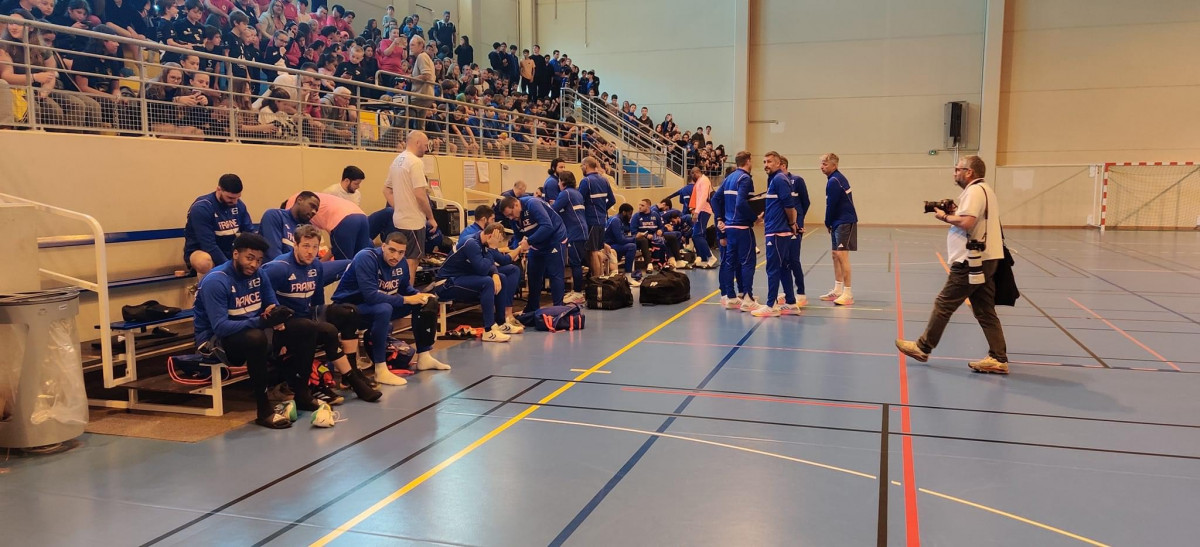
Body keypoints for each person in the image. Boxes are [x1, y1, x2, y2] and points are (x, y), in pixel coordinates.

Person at [896, 156, 1010, 374]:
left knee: (944, 303)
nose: (954, 173)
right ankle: (998, 358)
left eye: (958, 169)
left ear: (969, 172)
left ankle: (923, 347)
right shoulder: (984, 190)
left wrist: (945, 217)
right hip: (985, 259)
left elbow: (967, 222)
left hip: (972, 260)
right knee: (984, 310)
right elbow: (971, 216)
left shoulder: (975, 191)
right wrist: (956, 210)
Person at [193, 233, 308, 429]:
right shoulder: (216, 281)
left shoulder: (259, 273)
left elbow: (271, 304)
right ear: (235, 254)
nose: (254, 264)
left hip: (249, 329)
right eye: (249, 258)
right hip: (216, 341)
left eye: (259, 260)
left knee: (305, 328)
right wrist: (263, 322)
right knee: (256, 338)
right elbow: (220, 327)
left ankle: (303, 394)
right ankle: (264, 411)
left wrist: (278, 317)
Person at [260, 225, 382, 403]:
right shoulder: (279, 268)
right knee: (327, 331)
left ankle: (352, 373)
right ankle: (353, 382)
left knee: (349, 312)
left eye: (315, 247)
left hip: (306, 317)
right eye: (306, 246)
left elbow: (317, 303)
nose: (311, 252)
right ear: (295, 245)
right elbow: (262, 296)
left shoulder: (316, 265)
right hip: (283, 323)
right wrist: (275, 332)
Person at [331, 232, 450, 387]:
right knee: (384, 309)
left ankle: (424, 356)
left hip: (374, 308)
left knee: (427, 302)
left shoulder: (401, 263)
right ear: (383, 246)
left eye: (401, 252)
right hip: (347, 310)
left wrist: (420, 296)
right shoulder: (366, 257)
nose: (396, 256)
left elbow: (405, 288)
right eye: (392, 250)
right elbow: (371, 296)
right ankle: (381, 369)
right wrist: (407, 299)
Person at [436, 223, 527, 342]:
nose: (498, 244)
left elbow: (492, 266)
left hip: (461, 278)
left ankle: (501, 323)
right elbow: (483, 269)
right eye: (497, 241)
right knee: (487, 282)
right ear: (490, 236)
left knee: (502, 277)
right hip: (446, 284)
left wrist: (495, 273)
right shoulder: (471, 243)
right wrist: (491, 248)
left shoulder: (483, 242)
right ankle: (488, 331)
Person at [382, 130, 438, 284]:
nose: (427, 149)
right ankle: (409, 298)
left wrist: (399, 206)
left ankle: (397, 293)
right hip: (413, 222)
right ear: (418, 142)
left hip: (399, 220)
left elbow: (386, 190)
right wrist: (431, 217)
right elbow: (420, 195)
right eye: (426, 145)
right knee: (411, 262)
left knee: (397, 259)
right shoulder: (415, 162)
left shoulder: (397, 160)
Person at [752, 152, 802, 317]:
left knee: (773, 268)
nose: (766, 164)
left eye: (770, 161)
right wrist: (764, 216)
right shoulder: (774, 179)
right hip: (776, 228)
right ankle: (791, 303)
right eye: (764, 161)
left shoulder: (779, 179)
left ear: (779, 164)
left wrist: (791, 223)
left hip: (777, 231)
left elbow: (789, 205)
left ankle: (770, 305)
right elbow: (777, 203)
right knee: (783, 268)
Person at [498, 195, 567, 312]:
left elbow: (547, 226)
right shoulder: (514, 219)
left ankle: (558, 309)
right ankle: (532, 308)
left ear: (516, 204)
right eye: (507, 216)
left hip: (554, 240)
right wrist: (515, 251)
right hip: (537, 244)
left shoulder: (533, 204)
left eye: (511, 214)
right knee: (533, 275)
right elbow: (518, 237)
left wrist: (529, 241)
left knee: (555, 275)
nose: (511, 218)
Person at [712, 151, 759, 312]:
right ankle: (747, 298)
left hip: (729, 227)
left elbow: (715, 199)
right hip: (742, 227)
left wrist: (719, 219)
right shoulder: (745, 178)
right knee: (747, 262)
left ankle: (731, 297)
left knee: (729, 262)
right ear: (748, 161)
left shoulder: (729, 179)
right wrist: (754, 218)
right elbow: (741, 203)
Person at [184, 174, 254, 276]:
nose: (234, 202)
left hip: (230, 251)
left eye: (237, 198)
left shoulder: (239, 205)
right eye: (230, 197)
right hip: (201, 251)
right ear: (218, 189)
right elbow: (209, 245)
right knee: (205, 262)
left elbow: (250, 234)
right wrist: (230, 268)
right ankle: (205, 289)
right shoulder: (202, 207)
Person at [284, 192, 371, 260]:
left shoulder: (290, 204)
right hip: (362, 216)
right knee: (361, 262)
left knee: (344, 267)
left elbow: (292, 238)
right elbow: (335, 247)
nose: (314, 212)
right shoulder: (316, 205)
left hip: (344, 220)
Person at [820, 153, 857, 305]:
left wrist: (827, 222)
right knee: (835, 254)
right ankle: (837, 289)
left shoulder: (835, 180)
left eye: (825, 164)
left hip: (844, 221)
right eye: (821, 164)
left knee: (842, 255)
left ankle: (848, 293)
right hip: (837, 222)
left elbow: (831, 205)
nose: (821, 167)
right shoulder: (833, 179)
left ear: (834, 166)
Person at [551, 171, 588, 303]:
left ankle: (578, 293)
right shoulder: (576, 193)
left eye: (559, 181)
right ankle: (577, 290)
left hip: (575, 232)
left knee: (575, 263)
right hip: (581, 231)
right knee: (576, 262)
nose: (558, 183)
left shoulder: (565, 193)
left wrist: (550, 204)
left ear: (563, 181)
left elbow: (553, 210)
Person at [577, 156, 616, 278]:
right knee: (595, 250)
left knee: (593, 252)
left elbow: (579, 200)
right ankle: (598, 278)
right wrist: (602, 210)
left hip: (591, 220)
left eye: (582, 166)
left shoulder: (586, 181)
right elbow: (612, 200)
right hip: (602, 220)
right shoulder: (604, 180)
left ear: (586, 166)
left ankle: (597, 280)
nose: (581, 169)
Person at [782, 156, 810, 305]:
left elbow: (806, 202)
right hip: (781, 226)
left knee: (793, 259)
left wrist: (799, 220)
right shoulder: (775, 181)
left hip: (795, 226)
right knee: (783, 260)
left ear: (784, 165)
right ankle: (788, 293)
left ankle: (800, 292)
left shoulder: (797, 180)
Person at [259, 191, 319, 260]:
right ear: (300, 200)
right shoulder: (275, 216)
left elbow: (313, 260)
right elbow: (274, 256)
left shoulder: (310, 229)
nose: (314, 212)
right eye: (312, 206)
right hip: (276, 268)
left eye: (316, 210)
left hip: (302, 269)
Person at [687, 167, 717, 268]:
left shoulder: (703, 180)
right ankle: (703, 258)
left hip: (703, 210)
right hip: (701, 210)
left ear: (696, 172)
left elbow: (703, 197)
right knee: (699, 234)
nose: (691, 176)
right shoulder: (700, 181)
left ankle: (711, 257)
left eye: (692, 174)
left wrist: (697, 212)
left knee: (697, 235)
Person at [605, 203, 641, 286]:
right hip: (609, 246)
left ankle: (630, 272)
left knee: (633, 243)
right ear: (624, 212)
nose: (630, 216)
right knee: (632, 246)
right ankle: (628, 276)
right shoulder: (616, 220)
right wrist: (635, 238)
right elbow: (620, 240)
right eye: (629, 214)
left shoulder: (618, 220)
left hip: (614, 244)